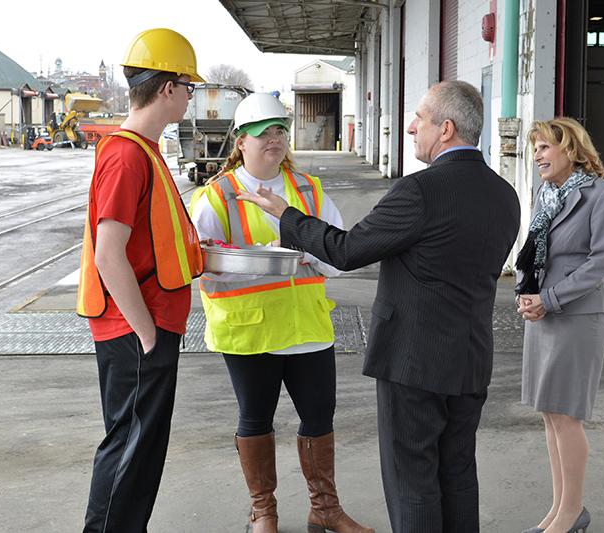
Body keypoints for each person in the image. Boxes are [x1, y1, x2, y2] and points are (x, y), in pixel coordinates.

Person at [237, 80, 521, 533]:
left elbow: (346, 250)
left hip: (413, 363)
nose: (410, 129)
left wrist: (284, 214)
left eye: (420, 119)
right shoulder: (504, 194)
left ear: (445, 129)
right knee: (459, 474)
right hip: (471, 359)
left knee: (413, 481)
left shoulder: (421, 192)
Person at [190, 92, 373, 533]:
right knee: (255, 418)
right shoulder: (218, 197)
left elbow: (337, 255)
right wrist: (255, 259)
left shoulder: (308, 190)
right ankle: (263, 512)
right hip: (249, 330)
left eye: (280, 131)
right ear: (241, 141)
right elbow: (201, 264)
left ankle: (325, 509)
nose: (273, 140)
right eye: (262, 133)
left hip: (306, 327)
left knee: (319, 418)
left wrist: (303, 251)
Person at [76, 28, 204, 533]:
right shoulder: (128, 154)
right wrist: (147, 334)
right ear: (167, 88)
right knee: (129, 446)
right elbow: (110, 255)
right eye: (188, 85)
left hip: (145, 325)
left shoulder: (143, 150)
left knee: (140, 448)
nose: (191, 95)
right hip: (136, 329)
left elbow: (147, 240)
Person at [515, 117, 604, 533]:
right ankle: (559, 509)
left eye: (545, 147)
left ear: (571, 150)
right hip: (544, 310)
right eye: (536, 148)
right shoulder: (545, 193)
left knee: (566, 415)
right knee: (549, 413)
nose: (538, 155)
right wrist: (528, 294)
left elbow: (602, 262)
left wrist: (549, 299)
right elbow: (537, 252)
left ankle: (572, 511)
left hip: (580, 314)